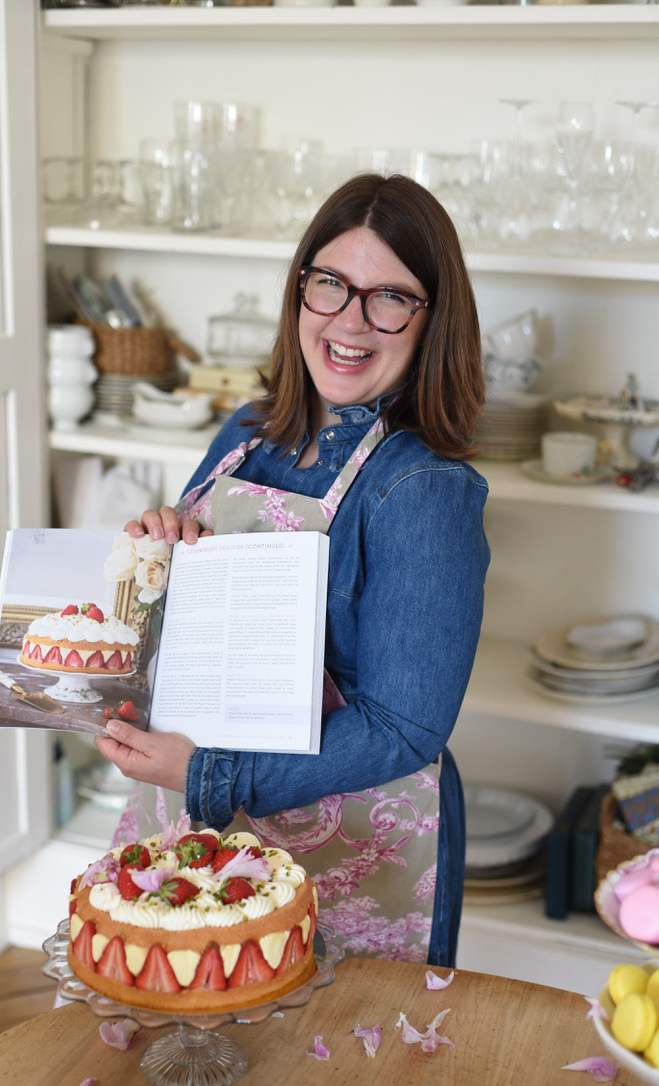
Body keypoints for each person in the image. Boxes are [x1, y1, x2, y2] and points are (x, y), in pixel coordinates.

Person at [94, 172, 490, 967]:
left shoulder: (423, 489)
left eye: (390, 297)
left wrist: (211, 773)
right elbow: (182, 616)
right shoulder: (249, 431)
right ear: (299, 290)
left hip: (346, 846)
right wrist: (159, 548)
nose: (350, 320)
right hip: (195, 806)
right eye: (331, 285)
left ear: (431, 319)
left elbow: (405, 729)